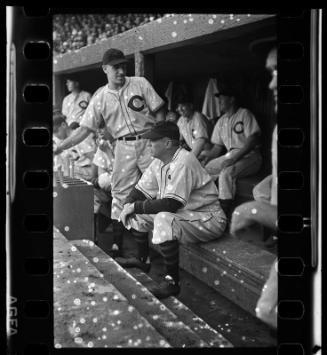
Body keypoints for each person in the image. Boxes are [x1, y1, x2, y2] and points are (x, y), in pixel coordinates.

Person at [54, 48, 166, 257]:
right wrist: (60, 147)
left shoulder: (140, 83)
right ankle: (119, 245)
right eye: (116, 67)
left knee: (161, 186)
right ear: (105, 69)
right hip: (122, 146)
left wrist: (160, 135)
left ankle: (160, 243)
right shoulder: (100, 97)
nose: (121, 71)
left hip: (149, 140)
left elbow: (159, 109)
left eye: (123, 66)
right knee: (120, 195)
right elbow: (84, 130)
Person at [115, 121, 227, 299]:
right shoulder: (159, 161)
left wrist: (134, 206)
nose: (148, 144)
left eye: (153, 141)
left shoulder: (183, 161)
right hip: (187, 214)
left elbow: (170, 205)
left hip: (208, 218)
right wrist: (128, 203)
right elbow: (140, 190)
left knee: (163, 218)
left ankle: (172, 282)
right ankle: (142, 260)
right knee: (138, 212)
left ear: (167, 143)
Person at [230, 44, 278, 329]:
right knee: (266, 311)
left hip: (248, 157)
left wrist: (253, 212)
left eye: (278, 71)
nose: (271, 83)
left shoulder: (246, 115)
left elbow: (251, 141)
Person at [199, 89, 262, 215]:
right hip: (231, 155)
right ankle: (208, 207)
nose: (219, 102)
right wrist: (204, 161)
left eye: (222, 99)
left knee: (226, 173)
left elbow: (252, 140)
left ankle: (224, 213)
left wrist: (234, 159)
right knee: (206, 169)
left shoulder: (244, 114)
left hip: (251, 156)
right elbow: (217, 148)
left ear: (232, 99)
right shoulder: (221, 121)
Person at [53, 112, 96, 181]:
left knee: (66, 168)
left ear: (63, 125)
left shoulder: (78, 137)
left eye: (56, 131)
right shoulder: (65, 140)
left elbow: (94, 158)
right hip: (80, 170)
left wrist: (94, 178)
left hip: (90, 170)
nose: (55, 135)